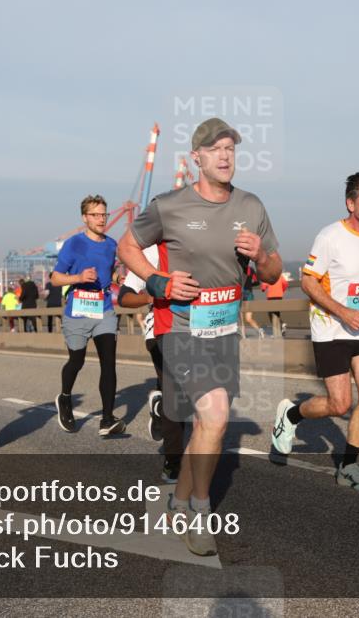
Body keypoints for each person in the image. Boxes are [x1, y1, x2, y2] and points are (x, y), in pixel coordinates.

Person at [119, 117, 283, 556]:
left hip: (224, 329)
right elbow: (127, 246)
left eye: (231, 148)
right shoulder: (170, 205)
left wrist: (261, 255)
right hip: (181, 327)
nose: (225, 155)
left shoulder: (251, 206)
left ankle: (177, 499)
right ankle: (199, 513)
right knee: (214, 416)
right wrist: (158, 282)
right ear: (197, 158)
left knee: (205, 427)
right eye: (216, 149)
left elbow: (272, 272)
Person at [271, 169, 359, 493]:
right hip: (331, 328)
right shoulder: (330, 236)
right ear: (350, 203)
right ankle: (291, 415)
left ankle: (348, 466)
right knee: (339, 404)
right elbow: (307, 281)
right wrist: (343, 312)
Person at [51, 195, 125, 437]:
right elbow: (55, 278)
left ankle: (106, 419)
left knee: (109, 362)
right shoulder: (74, 244)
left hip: (103, 309)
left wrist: (116, 279)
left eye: (104, 214)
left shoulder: (111, 244)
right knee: (77, 361)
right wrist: (78, 278)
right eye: (95, 215)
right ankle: (64, 398)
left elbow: (109, 270)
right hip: (78, 309)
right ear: (85, 218)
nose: (101, 219)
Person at [118, 243, 187, 483]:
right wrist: (152, 294)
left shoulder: (198, 243)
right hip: (159, 331)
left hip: (197, 330)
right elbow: (123, 297)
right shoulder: (149, 254)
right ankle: (173, 462)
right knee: (176, 395)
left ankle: (161, 403)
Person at [240, 265, 264, 338]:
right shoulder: (251, 269)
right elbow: (257, 282)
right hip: (249, 294)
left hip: (240, 294)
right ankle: (260, 330)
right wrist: (250, 284)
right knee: (248, 318)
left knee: (240, 318)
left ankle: (243, 336)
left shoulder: (237, 268)